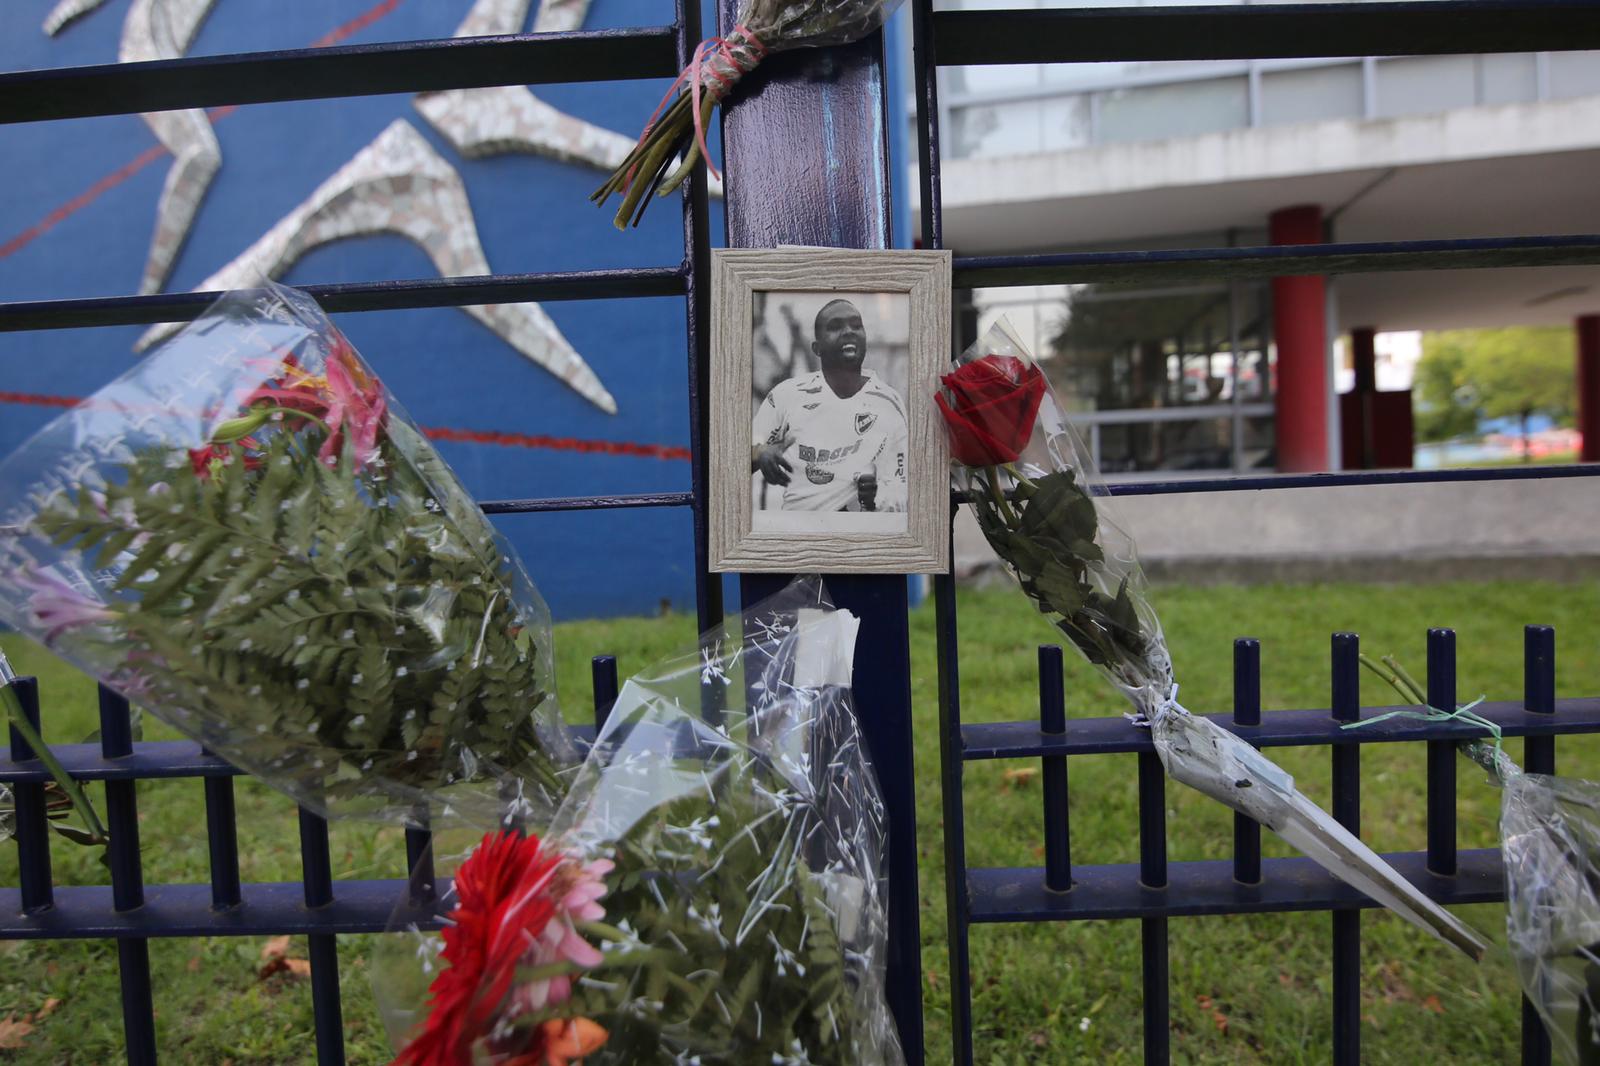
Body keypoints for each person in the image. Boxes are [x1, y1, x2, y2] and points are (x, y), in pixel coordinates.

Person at [752, 298, 908, 513]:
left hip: (863, 531)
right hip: (798, 530)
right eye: (835, 327)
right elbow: (740, 454)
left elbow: (902, 489)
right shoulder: (787, 395)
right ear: (817, 348)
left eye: (856, 325)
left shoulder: (889, 403)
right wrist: (761, 452)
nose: (849, 331)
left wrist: (875, 497)